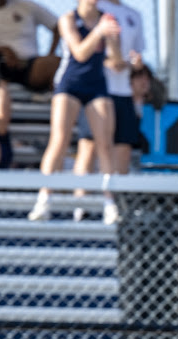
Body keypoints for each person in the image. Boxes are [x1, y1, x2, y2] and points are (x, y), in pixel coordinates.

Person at [27, 0, 121, 224]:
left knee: (105, 144)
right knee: (59, 140)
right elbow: (79, 53)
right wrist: (99, 31)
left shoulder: (106, 19)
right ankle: (44, 199)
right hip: (70, 83)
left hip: (96, 84)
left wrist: (113, 40)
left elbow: (116, 60)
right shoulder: (69, 19)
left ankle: (110, 203)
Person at [71, 0, 144, 222]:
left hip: (123, 92)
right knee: (89, 146)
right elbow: (85, 50)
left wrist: (133, 63)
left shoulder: (134, 15)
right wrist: (112, 61)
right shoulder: (96, 10)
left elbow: (133, 58)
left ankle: (114, 206)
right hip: (97, 90)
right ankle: (80, 206)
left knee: (122, 149)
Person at [0, 0, 61, 93]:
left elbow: (58, 26)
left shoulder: (27, 5)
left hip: (29, 65)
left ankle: (57, 98)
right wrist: (4, 50)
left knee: (54, 63)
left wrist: (51, 53)